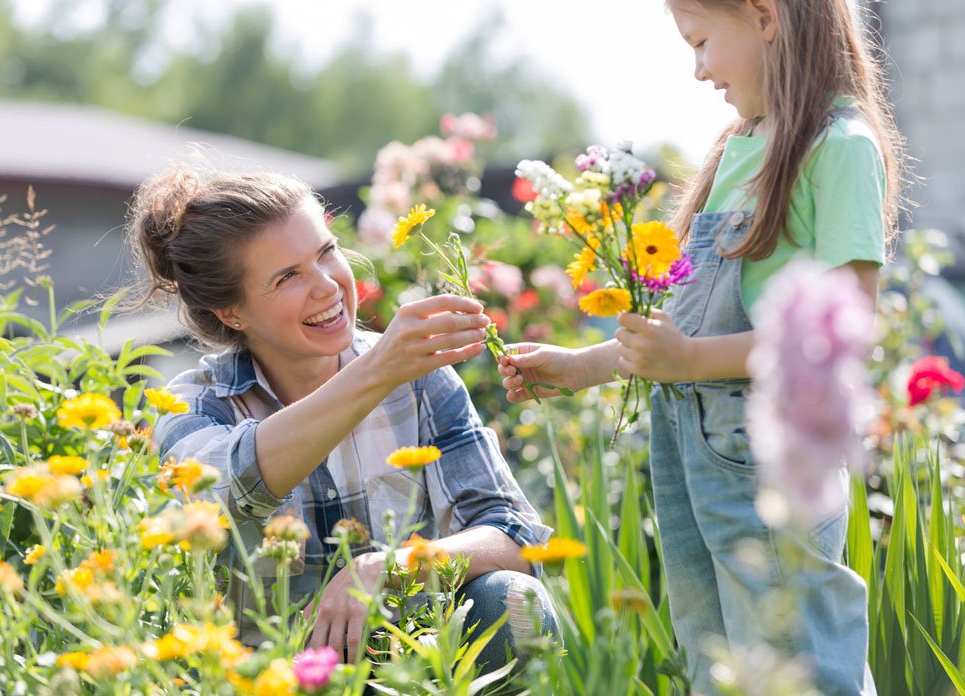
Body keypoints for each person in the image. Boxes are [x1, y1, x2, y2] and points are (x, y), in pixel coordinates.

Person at [499, 1, 904, 693]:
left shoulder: (840, 147)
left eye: (703, 42)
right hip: (687, 444)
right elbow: (684, 320)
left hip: (769, 454)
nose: (698, 70)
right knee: (717, 656)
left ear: (765, 16)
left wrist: (687, 362)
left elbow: (845, 326)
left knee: (797, 654)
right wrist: (580, 368)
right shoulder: (739, 146)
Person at [130, 167, 555, 670]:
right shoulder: (193, 407)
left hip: (409, 666)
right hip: (266, 676)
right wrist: (378, 371)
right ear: (232, 313)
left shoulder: (416, 378)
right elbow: (230, 486)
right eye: (288, 277)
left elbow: (514, 532)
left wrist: (391, 568)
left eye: (326, 252)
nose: (327, 285)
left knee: (511, 598)